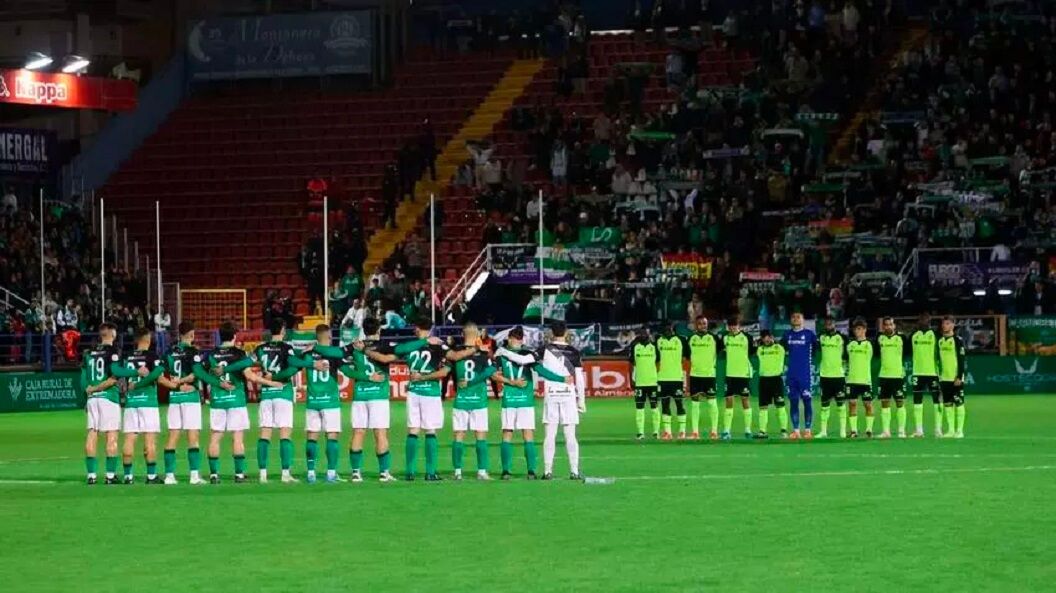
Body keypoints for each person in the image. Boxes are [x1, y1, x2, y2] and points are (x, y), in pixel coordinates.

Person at [346, 317, 419, 482]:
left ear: (364, 330)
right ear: (379, 330)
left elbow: (344, 366)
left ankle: (356, 473)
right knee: (380, 433)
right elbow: (404, 348)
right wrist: (424, 341)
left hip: (360, 395)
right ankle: (384, 473)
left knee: (358, 432)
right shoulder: (384, 346)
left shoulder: (354, 347)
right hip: (378, 396)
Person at [494, 327, 567, 479]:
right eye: (516, 338)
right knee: (518, 434)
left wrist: (561, 379)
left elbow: (495, 375)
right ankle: (515, 471)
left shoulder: (502, 353)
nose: (518, 341)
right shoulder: (527, 354)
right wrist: (562, 379)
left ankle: (523, 471)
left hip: (514, 399)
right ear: (510, 338)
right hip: (521, 400)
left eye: (519, 338)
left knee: (516, 434)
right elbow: (542, 371)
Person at [250, 319, 317, 483]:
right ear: (283, 330)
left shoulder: (259, 348)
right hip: (283, 392)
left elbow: (248, 362)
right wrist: (306, 357)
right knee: (285, 434)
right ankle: (285, 474)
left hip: (266, 393)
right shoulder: (287, 348)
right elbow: (294, 366)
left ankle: (262, 474)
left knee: (265, 434)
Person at [299, 324, 357, 483]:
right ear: (329, 336)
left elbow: (294, 363)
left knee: (312, 436)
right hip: (330, 401)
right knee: (332, 436)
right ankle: (331, 473)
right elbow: (347, 371)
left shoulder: (308, 353)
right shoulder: (334, 354)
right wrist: (364, 377)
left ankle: (311, 473)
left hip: (313, 400)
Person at [446, 322, 503, 480]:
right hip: (479, 400)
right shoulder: (483, 353)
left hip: (461, 400)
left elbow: (445, 372)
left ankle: (458, 472)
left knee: (458, 435)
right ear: (477, 334)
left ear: (463, 334)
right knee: (480, 435)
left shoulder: (455, 353)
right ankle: (482, 471)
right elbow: (492, 371)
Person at [204, 322, 256, 484]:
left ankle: (214, 475)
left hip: (218, 399)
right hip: (236, 399)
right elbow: (248, 372)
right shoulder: (239, 354)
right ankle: (239, 474)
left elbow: (203, 375)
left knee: (215, 437)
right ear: (234, 336)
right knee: (237, 437)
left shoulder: (211, 354)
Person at [160, 321, 211, 485]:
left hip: (175, 398)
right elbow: (196, 374)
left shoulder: (169, 352)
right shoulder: (193, 352)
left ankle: (169, 476)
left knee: (173, 435)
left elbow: (160, 377)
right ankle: (194, 476)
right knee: (193, 435)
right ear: (191, 334)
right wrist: (184, 381)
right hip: (190, 398)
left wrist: (175, 385)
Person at [534, 321, 586, 480]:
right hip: (568, 396)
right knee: (570, 435)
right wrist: (581, 400)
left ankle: (548, 471)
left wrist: (536, 386)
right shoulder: (574, 352)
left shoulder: (544, 350)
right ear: (566, 332)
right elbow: (579, 378)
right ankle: (574, 471)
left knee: (550, 435)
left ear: (551, 332)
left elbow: (534, 367)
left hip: (552, 395)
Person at [114, 327, 166, 484]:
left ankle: (128, 476)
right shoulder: (152, 355)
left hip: (131, 403)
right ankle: (151, 476)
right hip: (148, 402)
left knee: (129, 439)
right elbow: (158, 374)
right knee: (150, 440)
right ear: (147, 339)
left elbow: (121, 375)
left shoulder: (128, 357)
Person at [400, 320, 448, 481]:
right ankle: (430, 472)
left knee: (413, 430)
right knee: (430, 431)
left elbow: (399, 351)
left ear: (417, 328)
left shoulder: (411, 346)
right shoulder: (438, 345)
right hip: (430, 392)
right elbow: (445, 370)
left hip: (413, 392)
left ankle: (410, 471)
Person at [81, 322, 123, 484]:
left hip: (93, 399)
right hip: (108, 398)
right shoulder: (113, 352)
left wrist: (89, 392)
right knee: (111, 435)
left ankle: (91, 476)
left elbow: (83, 379)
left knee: (92, 433)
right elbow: (113, 379)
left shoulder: (89, 353)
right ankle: (110, 476)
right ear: (112, 334)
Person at [782, 312, 817, 439]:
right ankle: (796, 430)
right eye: (793, 317)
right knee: (794, 401)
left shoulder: (809, 334)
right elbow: (781, 350)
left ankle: (807, 430)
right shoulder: (787, 335)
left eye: (798, 317)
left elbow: (815, 350)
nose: (795, 319)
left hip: (805, 374)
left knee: (807, 400)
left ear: (803, 319)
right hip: (792, 374)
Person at [688, 316, 722, 439]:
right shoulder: (691, 339)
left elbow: (720, 351)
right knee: (695, 404)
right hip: (695, 375)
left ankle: (714, 432)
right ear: (696, 325)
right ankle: (695, 432)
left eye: (705, 323)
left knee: (712, 403)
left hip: (709, 375)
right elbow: (687, 355)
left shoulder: (714, 338)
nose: (703, 325)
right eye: (701, 323)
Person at [876, 316, 910, 439]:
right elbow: (876, 353)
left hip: (897, 376)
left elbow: (907, 353)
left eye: (890, 324)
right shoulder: (880, 338)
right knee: (885, 403)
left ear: (894, 325)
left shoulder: (901, 338)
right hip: (884, 375)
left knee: (900, 403)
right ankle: (886, 431)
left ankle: (901, 431)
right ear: (883, 326)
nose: (888, 326)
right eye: (886, 324)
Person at [721, 318, 755, 440]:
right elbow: (721, 351)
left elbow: (752, 352)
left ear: (739, 326)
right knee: (729, 402)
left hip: (743, 374)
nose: (732, 327)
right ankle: (726, 431)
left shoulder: (747, 338)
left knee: (745, 401)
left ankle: (748, 430)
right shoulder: (725, 338)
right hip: (730, 374)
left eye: (734, 325)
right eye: (730, 325)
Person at [815, 317, 848, 439]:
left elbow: (847, 355)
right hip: (825, 376)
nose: (829, 325)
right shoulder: (821, 337)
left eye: (831, 323)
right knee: (824, 406)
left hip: (838, 376)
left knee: (841, 405)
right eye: (827, 323)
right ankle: (823, 431)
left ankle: (843, 431)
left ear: (835, 324)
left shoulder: (842, 338)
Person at [910, 313, 942, 438]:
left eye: (926, 320)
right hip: (918, 373)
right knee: (917, 401)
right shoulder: (914, 336)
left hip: (932, 373)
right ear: (918, 321)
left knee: (936, 400)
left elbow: (940, 354)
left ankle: (938, 429)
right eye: (921, 319)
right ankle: (919, 430)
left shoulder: (935, 335)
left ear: (929, 322)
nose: (923, 322)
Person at [656, 322, 689, 439]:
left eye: (669, 328)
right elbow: (656, 359)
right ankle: (667, 432)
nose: (667, 330)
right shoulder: (658, 341)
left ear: (673, 329)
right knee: (665, 405)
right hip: (662, 378)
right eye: (665, 328)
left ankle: (682, 431)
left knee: (679, 404)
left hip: (676, 378)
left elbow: (686, 357)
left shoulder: (681, 340)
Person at [755, 330, 790, 439]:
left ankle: (784, 431)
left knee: (780, 406)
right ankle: (762, 431)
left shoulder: (779, 348)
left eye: (768, 337)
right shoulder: (760, 350)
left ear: (771, 337)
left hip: (776, 380)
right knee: (763, 407)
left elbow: (788, 344)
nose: (766, 339)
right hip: (764, 380)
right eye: (764, 337)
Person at [938, 316, 967, 438]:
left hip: (955, 377)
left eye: (948, 323)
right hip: (944, 377)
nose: (945, 325)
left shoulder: (957, 340)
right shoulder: (940, 341)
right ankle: (951, 430)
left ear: (952, 325)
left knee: (959, 403)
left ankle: (959, 431)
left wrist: (959, 376)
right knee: (948, 404)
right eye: (944, 323)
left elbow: (961, 360)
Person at [845, 319, 875, 438]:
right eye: (855, 329)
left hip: (865, 380)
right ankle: (853, 431)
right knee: (852, 404)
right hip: (852, 380)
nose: (857, 331)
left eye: (859, 329)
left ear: (864, 330)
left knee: (868, 404)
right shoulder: (850, 345)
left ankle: (869, 430)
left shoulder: (869, 345)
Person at [629, 329, 660, 439]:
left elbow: (658, 363)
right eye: (640, 334)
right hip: (640, 382)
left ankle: (656, 432)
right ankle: (640, 432)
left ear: (648, 335)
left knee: (654, 407)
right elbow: (631, 364)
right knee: (639, 408)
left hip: (652, 382)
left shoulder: (654, 347)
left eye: (644, 334)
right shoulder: (635, 347)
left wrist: (658, 378)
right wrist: (631, 379)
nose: (643, 335)